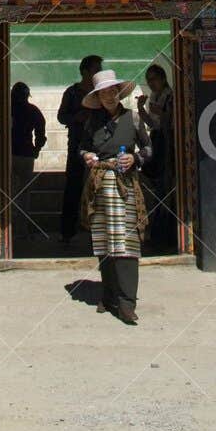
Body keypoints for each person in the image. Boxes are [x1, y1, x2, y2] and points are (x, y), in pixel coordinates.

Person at [80, 70, 151, 324]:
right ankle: (108, 296)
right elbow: (83, 147)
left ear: (119, 93)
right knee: (103, 243)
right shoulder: (92, 123)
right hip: (99, 187)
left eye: (112, 91)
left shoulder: (132, 119)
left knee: (126, 243)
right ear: (97, 96)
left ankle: (127, 302)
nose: (108, 96)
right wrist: (87, 156)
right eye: (103, 93)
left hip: (125, 186)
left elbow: (149, 148)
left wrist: (135, 158)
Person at [57, 53, 103, 244]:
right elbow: (61, 117)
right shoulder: (72, 92)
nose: (98, 72)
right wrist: (76, 117)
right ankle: (67, 232)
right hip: (76, 144)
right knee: (73, 187)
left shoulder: (102, 92)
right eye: (96, 69)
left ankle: (101, 230)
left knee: (101, 187)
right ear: (85, 71)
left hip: (100, 146)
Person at [137, 63, 177, 253]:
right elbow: (153, 124)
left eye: (153, 79)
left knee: (165, 188)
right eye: (148, 81)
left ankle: (165, 233)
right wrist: (141, 108)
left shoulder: (170, 97)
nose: (151, 83)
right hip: (157, 142)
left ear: (162, 78)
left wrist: (161, 113)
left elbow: (172, 121)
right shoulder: (155, 97)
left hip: (167, 144)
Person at [10, 81, 47, 238]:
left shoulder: (6, 109)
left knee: (8, 192)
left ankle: (9, 228)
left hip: (8, 155)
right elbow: (40, 134)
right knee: (24, 194)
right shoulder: (33, 111)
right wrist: (36, 150)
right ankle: (21, 230)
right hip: (26, 155)